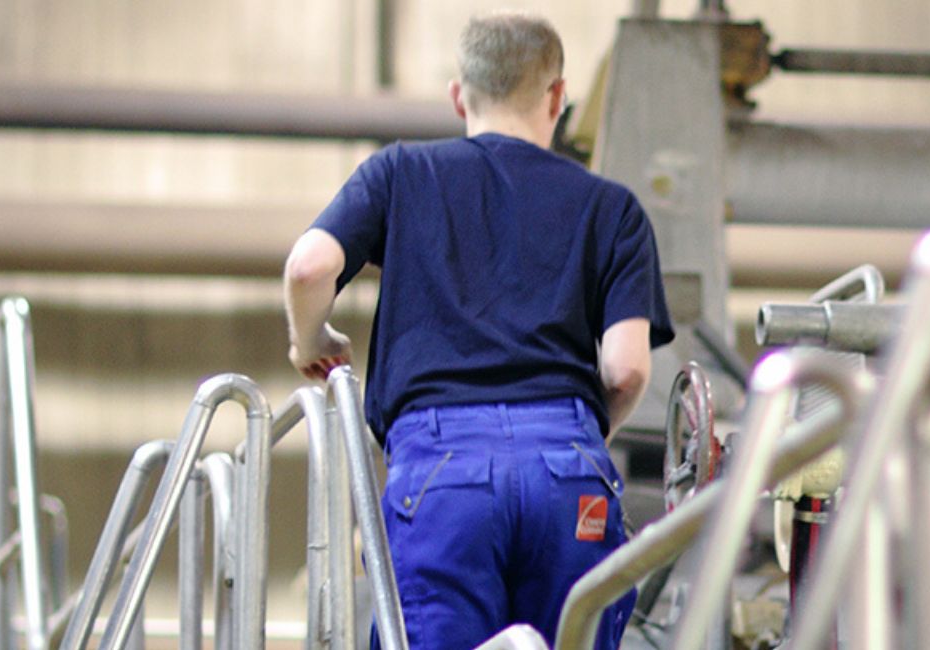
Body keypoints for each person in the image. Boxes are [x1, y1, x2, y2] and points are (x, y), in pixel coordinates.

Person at [281, 10, 675, 650]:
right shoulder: (613, 208)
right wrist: (571, 438)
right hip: (565, 470)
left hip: (442, 470)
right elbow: (627, 370)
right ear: (557, 97)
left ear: (459, 94)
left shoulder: (400, 173)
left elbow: (308, 266)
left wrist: (310, 341)